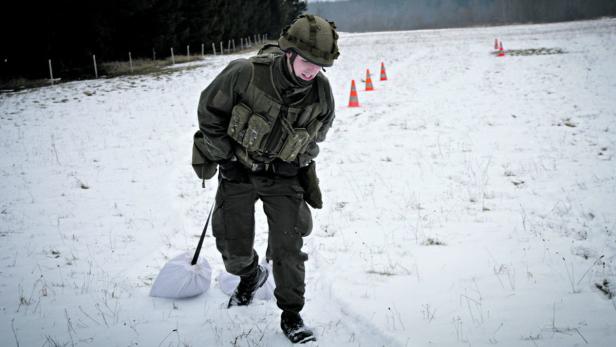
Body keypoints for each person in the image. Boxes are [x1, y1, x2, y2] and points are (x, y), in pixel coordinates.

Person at [192, 14, 340, 344]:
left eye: (319, 65)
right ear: (289, 53)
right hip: (239, 170)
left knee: (289, 247)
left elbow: (320, 131)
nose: (311, 71)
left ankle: (292, 314)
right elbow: (209, 113)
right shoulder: (245, 73)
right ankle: (249, 276)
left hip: (283, 176)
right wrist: (225, 157)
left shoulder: (321, 92)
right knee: (232, 248)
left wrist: (299, 160)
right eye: (307, 62)